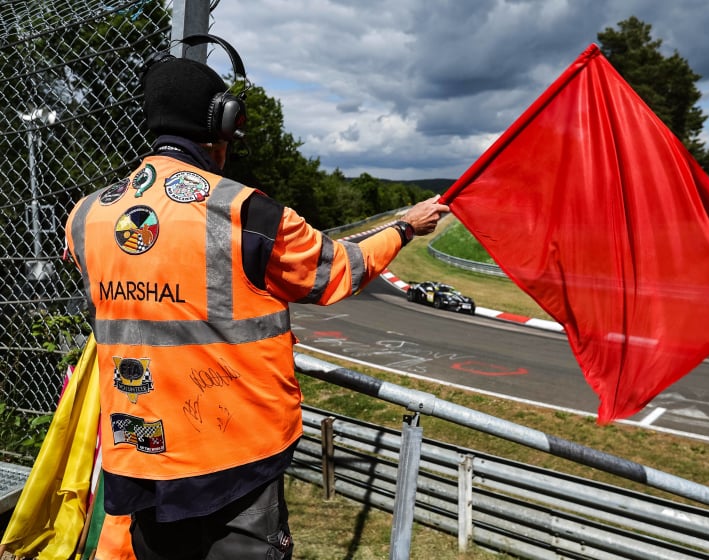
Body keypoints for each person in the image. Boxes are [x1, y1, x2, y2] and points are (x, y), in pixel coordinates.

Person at [64, 37, 448, 560]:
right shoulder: (250, 214)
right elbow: (338, 270)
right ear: (221, 126)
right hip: (234, 453)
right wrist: (404, 227)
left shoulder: (85, 216)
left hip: (138, 449)